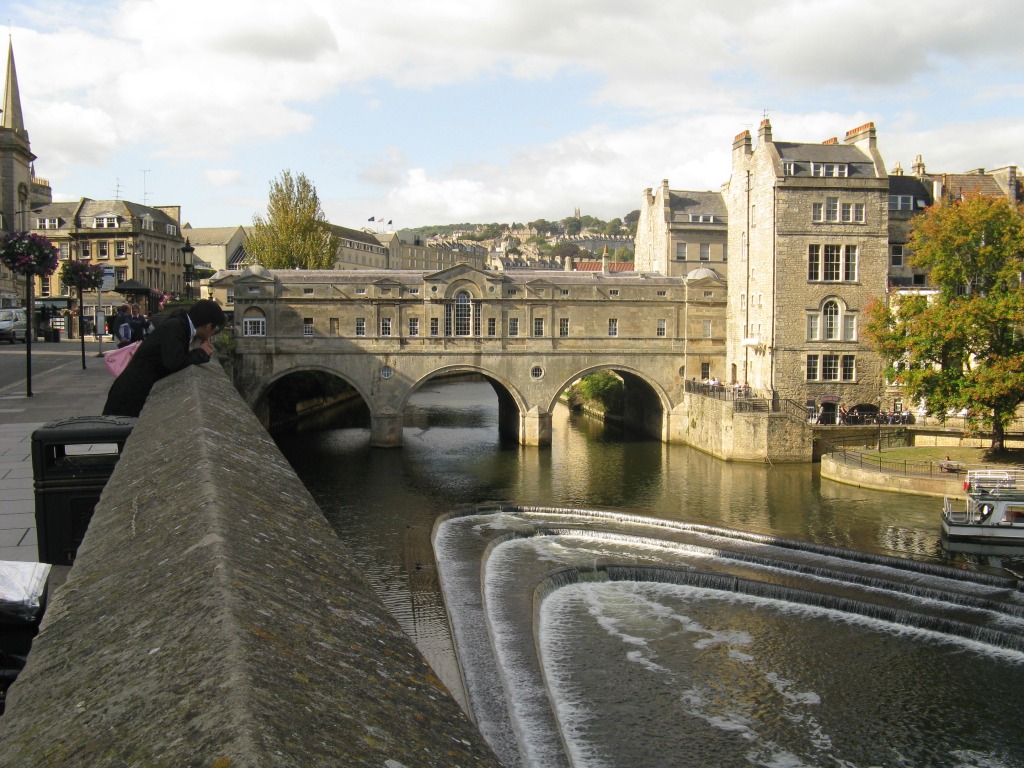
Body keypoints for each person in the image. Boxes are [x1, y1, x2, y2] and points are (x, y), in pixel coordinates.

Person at [102, 299, 227, 417]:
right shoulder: (176, 327)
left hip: (132, 392)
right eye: (214, 329)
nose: (211, 334)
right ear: (209, 326)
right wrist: (201, 352)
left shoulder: (179, 323)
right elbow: (173, 362)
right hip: (129, 398)